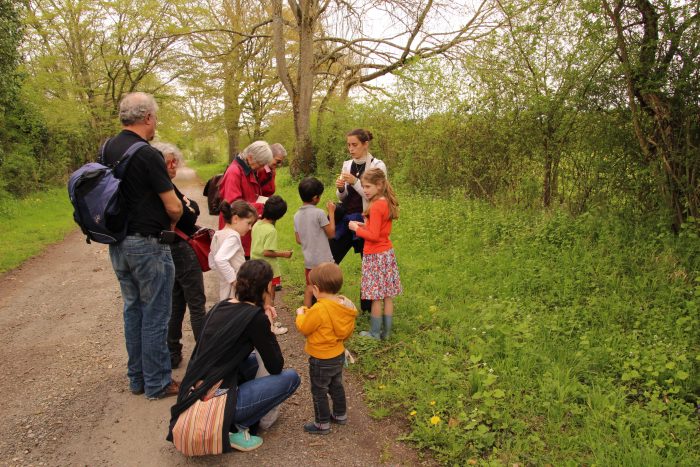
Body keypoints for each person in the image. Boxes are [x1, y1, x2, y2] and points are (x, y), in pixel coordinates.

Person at [167, 260, 301, 453]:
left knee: (253, 360)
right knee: (290, 378)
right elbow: (275, 366)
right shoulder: (255, 318)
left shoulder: (220, 306)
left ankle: (233, 418)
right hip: (217, 402)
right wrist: (268, 326)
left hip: (194, 391)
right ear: (266, 287)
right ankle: (233, 428)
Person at [103, 92, 183, 400]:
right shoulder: (148, 154)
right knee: (156, 313)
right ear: (148, 117)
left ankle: (137, 378)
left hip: (118, 242)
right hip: (148, 243)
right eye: (156, 117)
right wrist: (175, 218)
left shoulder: (108, 148)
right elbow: (173, 206)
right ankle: (158, 382)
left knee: (133, 309)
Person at [152, 142, 206, 369]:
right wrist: (188, 206)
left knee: (177, 302)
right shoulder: (163, 188)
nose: (174, 166)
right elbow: (188, 216)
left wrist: (188, 206)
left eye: (176, 161)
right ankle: (206, 356)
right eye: (169, 162)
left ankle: (173, 352)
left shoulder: (162, 185)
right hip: (180, 248)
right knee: (196, 303)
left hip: (169, 248)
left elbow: (193, 207)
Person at [295, 262, 358, 435]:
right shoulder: (345, 305)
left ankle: (322, 423)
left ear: (316, 288)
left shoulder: (319, 308)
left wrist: (301, 315)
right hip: (338, 353)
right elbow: (346, 331)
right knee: (336, 385)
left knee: (319, 390)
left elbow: (305, 328)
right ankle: (340, 414)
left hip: (321, 358)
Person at [332, 128, 387, 313]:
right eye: (348, 145)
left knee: (368, 264)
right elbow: (343, 197)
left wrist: (355, 182)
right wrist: (340, 188)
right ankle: (323, 300)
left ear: (365, 144)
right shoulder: (347, 164)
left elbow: (376, 196)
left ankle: (368, 308)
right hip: (347, 218)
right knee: (331, 257)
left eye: (354, 145)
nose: (351, 149)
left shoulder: (377, 165)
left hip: (367, 220)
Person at [349, 168, 402, 340]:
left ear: (379, 185)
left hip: (375, 255)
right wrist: (364, 225)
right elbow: (378, 230)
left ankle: (374, 333)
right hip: (386, 253)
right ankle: (386, 333)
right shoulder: (385, 201)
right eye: (363, 186)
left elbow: (373, 236)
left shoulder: (377, 206)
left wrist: (357, 229)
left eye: (368, 186)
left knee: (376, 297)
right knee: (387, 295)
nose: (364, 190)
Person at [218, 141, 273, 257]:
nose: (262, 168)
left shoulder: (248, 169)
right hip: (235, 233)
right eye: (261, 164)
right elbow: (234, 206)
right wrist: (260, 207)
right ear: (250, 157)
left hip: (244, 230)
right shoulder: (234, 172)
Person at [251, 195, 293, 335]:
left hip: (255, 266)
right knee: (269, 298)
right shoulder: (271, 230)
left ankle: (266, 321)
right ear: (279, 216)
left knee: (260, 297)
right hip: (268, 270)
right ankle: (270, 326)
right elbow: (267, 252)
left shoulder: (256, 224)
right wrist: (284, 254)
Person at [293, 177, 336, 307]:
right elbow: (331, 233)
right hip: (324, 262)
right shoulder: (319, 213)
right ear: (315, 198)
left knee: (310, 289)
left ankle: (307, 315)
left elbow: (298, 239)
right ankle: (326, 315)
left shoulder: (296, 215)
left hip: (309, 262)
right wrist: (331, 212)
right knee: (327, 291)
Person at [209, 200, 259, 301]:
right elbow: (220, 259)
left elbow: (212, 262)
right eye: (248, 223)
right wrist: (235, 281)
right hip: (235, 291)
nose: (250, 228)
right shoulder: (233, 236)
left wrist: (224, 276)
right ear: (235, 218)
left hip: (224, 288)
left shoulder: (218, 234)